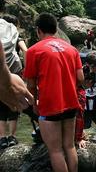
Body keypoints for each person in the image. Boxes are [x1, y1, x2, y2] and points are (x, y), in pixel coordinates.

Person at [24, 13, 84, 172]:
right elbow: (80, 78)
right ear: (56, 29)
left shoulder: (33, 51)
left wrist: (35, 103)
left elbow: (30, 84)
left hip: (50, 105)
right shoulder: (72, 49)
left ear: (38, 30)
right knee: (69, 146)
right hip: (71, 102)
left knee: (55, 150)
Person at [0, 18, 28, 148]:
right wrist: (27, 73)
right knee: (14, 105)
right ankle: (12, 136)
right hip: (15, 72)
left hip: (1, 74)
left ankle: (2, 138)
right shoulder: (14, 34)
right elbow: (26, 51)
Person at [0, 42, 33, 112]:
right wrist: (6, 81)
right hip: (11, 75)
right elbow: (25, 50)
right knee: (16, 107)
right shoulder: (15, 35)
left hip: (7, 76)